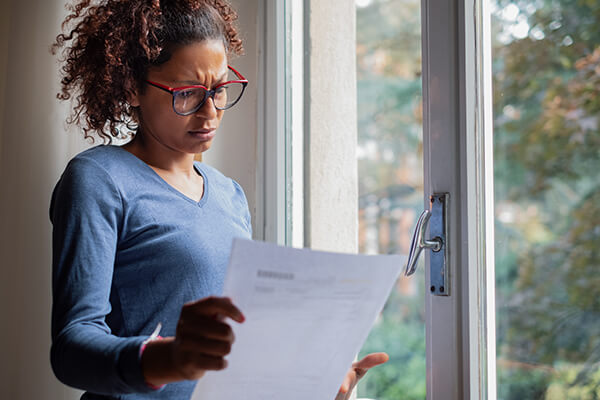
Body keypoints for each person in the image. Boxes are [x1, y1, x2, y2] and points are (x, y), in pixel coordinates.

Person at [50, 1, 388, 399]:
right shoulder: (100, 179)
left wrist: (310, 379)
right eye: (188, 93)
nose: (210, 111)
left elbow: (237, 354)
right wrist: (170, 359)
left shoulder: (229, 194)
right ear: (131, 88)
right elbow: (72, 347)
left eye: (221, 89)